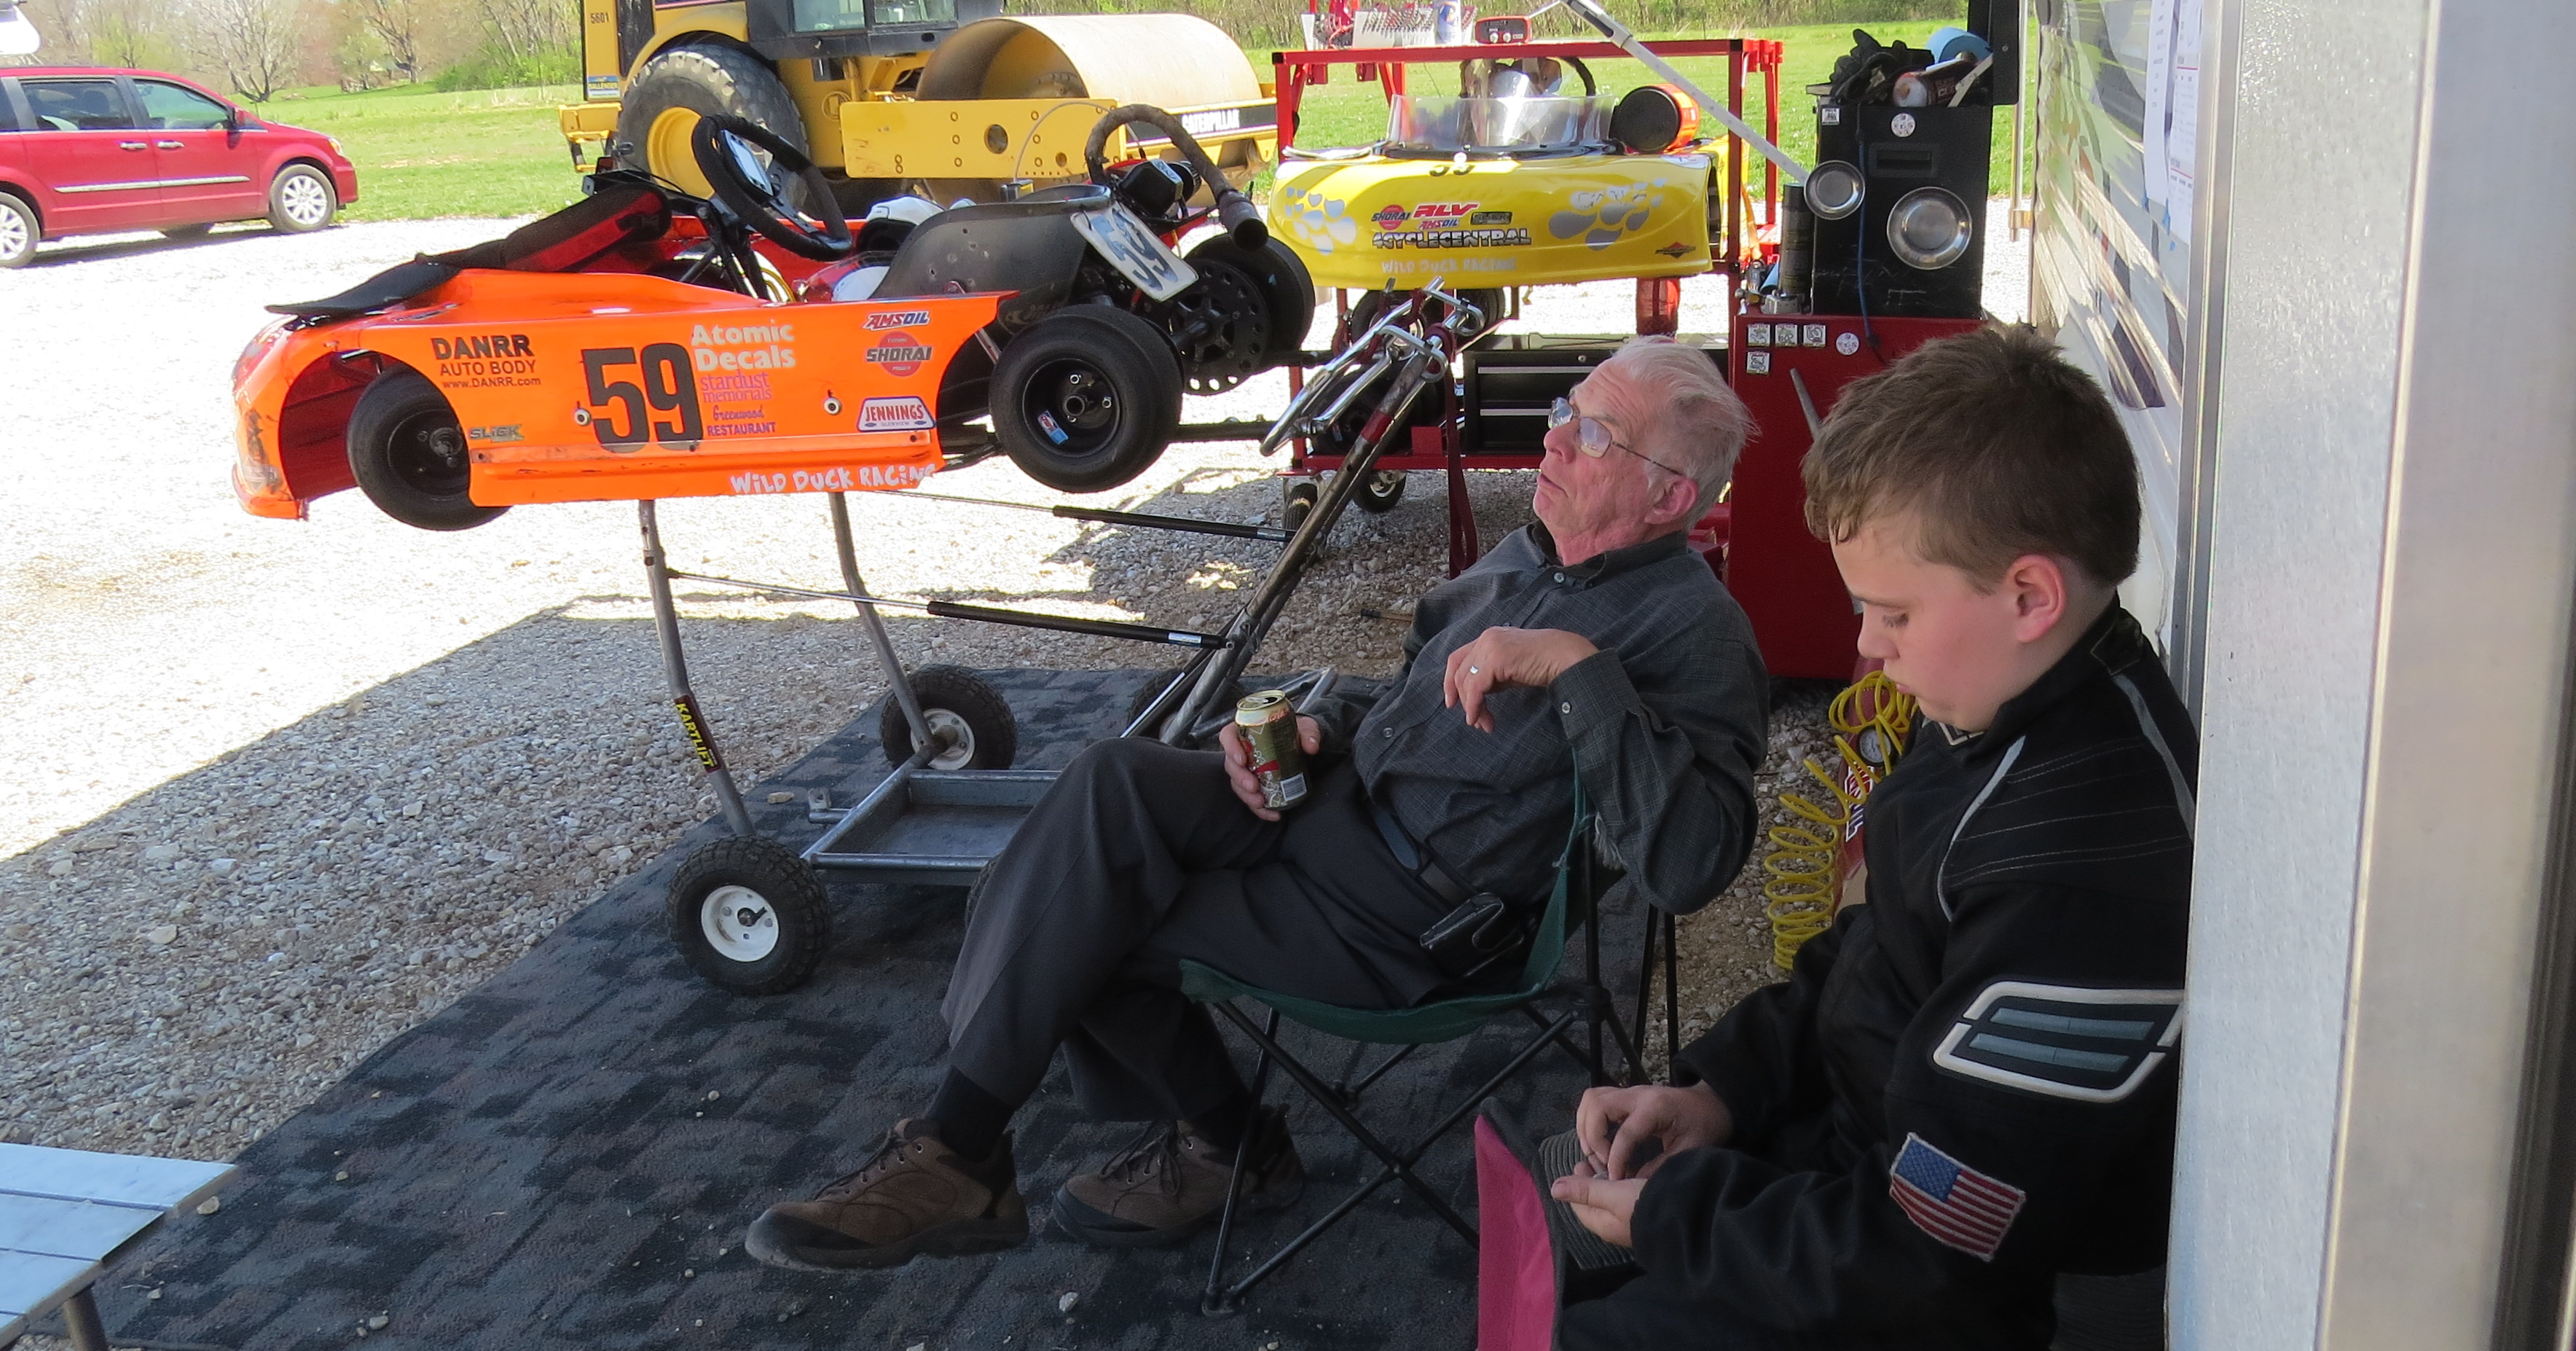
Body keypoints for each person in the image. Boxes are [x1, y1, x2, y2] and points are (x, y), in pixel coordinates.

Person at [745, 337, 1768, 1272]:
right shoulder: (1525, 552)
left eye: (1595, 434)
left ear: (1669, 497)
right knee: (1111, 780)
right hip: (1334, 805)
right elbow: (1405, 691)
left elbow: (1695, 863)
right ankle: (1022, 1147)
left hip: (1412, 915)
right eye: (1563, 411)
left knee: (1086, 918)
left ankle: (1084, 1149)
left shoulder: (1699, 633)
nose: (1555, 439)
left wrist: (1580, 671)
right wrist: (1310, 724)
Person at [1542, 326, 2196, 1350]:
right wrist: (1721, 1090)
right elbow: (1877, 948)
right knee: (1556, 1230)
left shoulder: (2079, 869)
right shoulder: (2000, 702)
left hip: (1952, 1294)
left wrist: (1684, 1215)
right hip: (1856, 1171)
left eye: (1891, 612)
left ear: (2030, 596)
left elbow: (1934, 1264)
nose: (1865, 645)